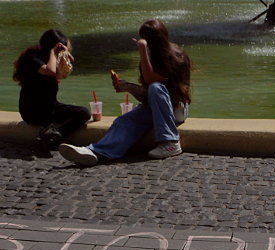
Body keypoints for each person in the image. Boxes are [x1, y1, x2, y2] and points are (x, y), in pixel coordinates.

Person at [58, 19, 191, 166]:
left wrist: (142, 51)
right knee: (125, 121)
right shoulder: (150, 57)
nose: (141, 41)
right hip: (158, 109)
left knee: (155, 88)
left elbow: (154, 85)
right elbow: (149, 98)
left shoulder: (175, 56)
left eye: (144, 38)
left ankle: (170, 142)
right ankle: (96, 152)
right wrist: (128, 87)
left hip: (177, 109)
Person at [13, 29, 91, 151]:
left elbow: (59, 75)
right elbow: (51, 72)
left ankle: (55, 135)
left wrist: (64, 59)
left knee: (84, 113)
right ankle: (48, 131)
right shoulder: (32, 58)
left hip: (49, 107)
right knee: (49, 81)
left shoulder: (50, 59)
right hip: (32, 110)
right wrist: (53, 52)